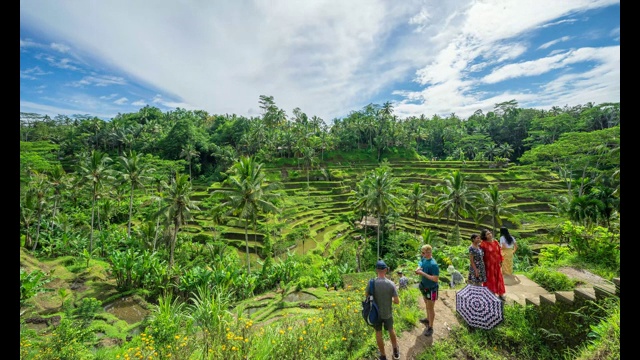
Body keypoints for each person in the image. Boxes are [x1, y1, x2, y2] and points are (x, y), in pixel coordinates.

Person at [366, 260, 401, 360]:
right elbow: (397, 301)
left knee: (378, 333)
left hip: (375, 314)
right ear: (386, 270)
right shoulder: (391, 284)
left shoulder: (371, 283)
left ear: (376, 270)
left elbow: (366, 296)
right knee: (391, 330)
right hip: (387, 313)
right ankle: (396, 351)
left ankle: (383, 355)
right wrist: (389, 298)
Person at [415, 244, 439, 337]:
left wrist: (422, 273)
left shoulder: (434, 264)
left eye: (423, 253)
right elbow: (420, 262)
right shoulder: (424, 259)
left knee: (431, 307)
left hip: (432, 289)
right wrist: (418, 268)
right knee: (426, 304)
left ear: (428, 253)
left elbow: (435, 279)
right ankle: (428, 319)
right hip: (424, 286)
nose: (422, 254)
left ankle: (430, 327)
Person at [479, 229, 506, 300]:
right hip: (488, 266)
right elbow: (480, 255)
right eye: (488, 234)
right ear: (484, 236)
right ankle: (491, 294)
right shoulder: (483, 244)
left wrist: (501, 261)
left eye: (490, 233)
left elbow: (499, 251)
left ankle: (501, 294)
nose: (490, 234)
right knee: (490, 280)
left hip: (496, 265)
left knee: (499, 279)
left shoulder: (495, 242)